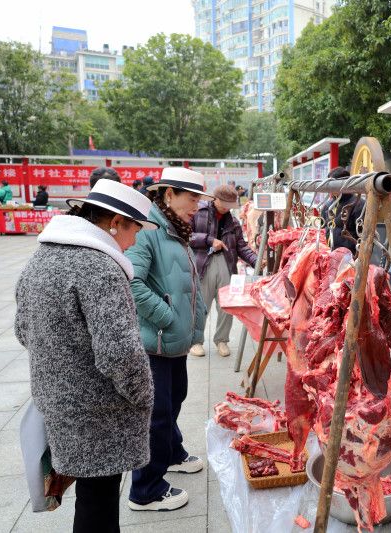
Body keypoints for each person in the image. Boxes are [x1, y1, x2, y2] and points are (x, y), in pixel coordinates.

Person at [15, 179, 157, 532]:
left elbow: (22, 329)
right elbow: (119, 354)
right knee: (100, 500)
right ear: (114, 222)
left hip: (60, 401)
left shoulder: (42, 257)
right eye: (135, 229)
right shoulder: (101, 268)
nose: (135, 240)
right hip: (99, 411)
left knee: (93, 496)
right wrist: (144, 395)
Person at [125, 167, 209, 512]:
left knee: (175, 399)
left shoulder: (176, 228)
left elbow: (187, 283)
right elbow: (131, 282)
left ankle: (172, 452)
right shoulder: (148, 231)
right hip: (156, 340)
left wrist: (195, 325)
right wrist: (167, 317)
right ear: (169, 194)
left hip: (174, 338)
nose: (197, 207)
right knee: (157, 414)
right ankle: (145, 490)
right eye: (191, 199)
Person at [188, 184, 257, 358]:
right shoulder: (198, 212)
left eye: (230, 205)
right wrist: (209, 240)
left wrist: (256, 261)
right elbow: (186, 236)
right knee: (201, 304)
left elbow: (241, 246)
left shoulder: (233, 221)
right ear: (215, 199)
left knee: (226, 305)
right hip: (203, 262)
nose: (226, 208)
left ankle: (222, 340)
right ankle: (196, 341)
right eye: (224, 203)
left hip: (227, 263)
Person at [320, 166, 364, 253]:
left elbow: (364, 237)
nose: (330, 189)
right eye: (328, 185)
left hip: (350, 256)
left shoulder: (358, 204)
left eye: (332, 185)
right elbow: (323, 229)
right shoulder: (327, 205)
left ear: (344, 184)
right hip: (329, 254)